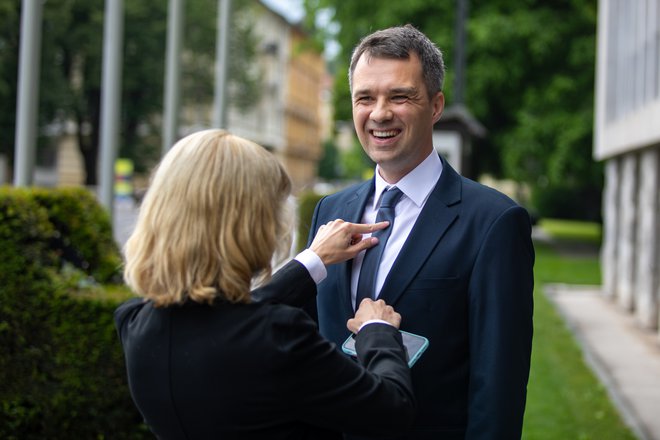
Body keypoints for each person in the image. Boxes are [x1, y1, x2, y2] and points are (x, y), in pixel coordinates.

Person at [307, 25, 535, 439]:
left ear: (435, 105)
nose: (379, 113)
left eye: (399, 96)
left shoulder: (494, 222)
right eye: (365, 98)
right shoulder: (331, 210)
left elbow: (498, 384)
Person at [114, 129, 417, 439]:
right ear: (251, 224)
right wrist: (377, 332)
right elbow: (391, 412)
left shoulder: (135, 321)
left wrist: (312, 260)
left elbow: (230, 322)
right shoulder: (278, 336)